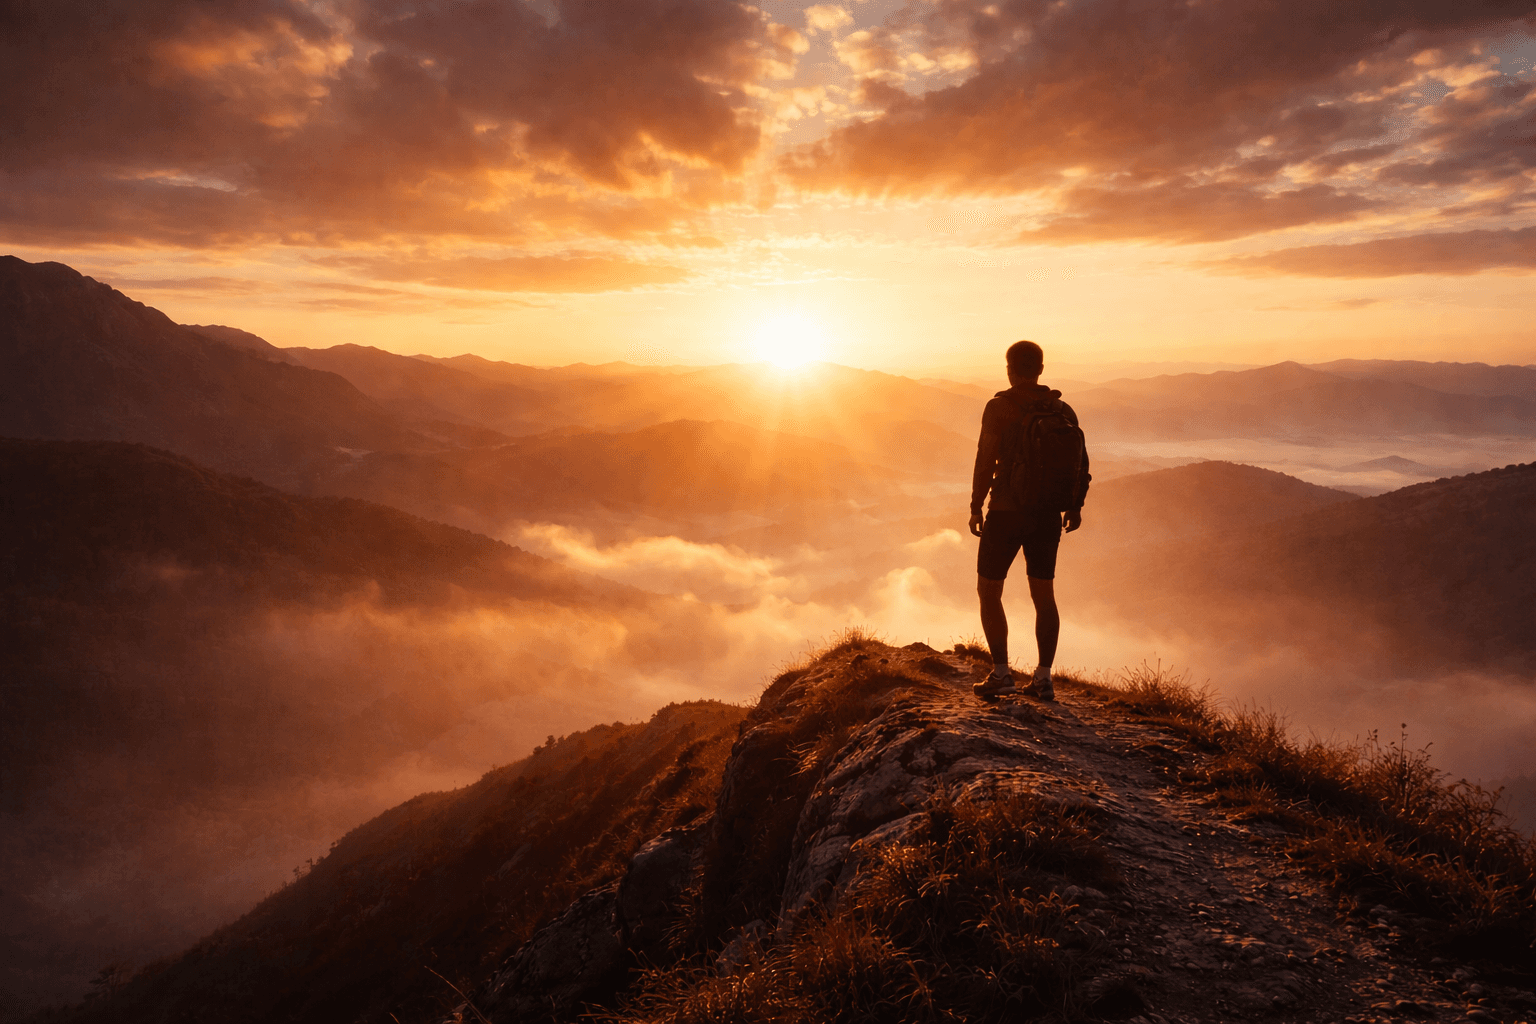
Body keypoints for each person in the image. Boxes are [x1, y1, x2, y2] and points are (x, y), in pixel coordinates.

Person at [968, 340, 1090, 700]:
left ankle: (1002, 673)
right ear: (1040, 369)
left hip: (1006, 512)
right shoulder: (1063, 409)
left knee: (989, 591)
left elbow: (984, 459)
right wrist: (1075, 505)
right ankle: (1043, 678)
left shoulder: (999, 408)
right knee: (1044, 595)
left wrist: (976, 505)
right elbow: (1081, 464)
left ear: (1009, 369)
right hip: (1048, 515)